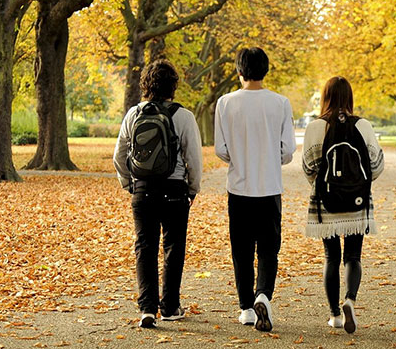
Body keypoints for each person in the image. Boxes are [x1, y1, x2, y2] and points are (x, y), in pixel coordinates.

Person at [113, 59, 203, 328]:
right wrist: (192, 189)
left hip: (143, 190)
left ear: (146, 85)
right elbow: (194, 160)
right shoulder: (184, 116)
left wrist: (129, 184)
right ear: (173, 86)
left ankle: (147, 308)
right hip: (175, 191)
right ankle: (171, 306)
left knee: (145, 247)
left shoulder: (134, 114)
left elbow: (119, 157)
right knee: (173, 248)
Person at [214, 47, 295, 332]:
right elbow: (287, 152)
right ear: (266, 69)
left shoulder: (225, 103)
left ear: (239, 70)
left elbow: (221, 149)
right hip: (270, 187)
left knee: (242, 250)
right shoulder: (280, 103)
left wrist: (239, 157)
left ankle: (247, 307)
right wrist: (270, 157)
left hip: (239, 188)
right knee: (269, 250)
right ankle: (264, 294)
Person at [301, 76, 385, 334]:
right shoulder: (363, 125)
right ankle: (350, 298)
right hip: (357, 201)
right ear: (349, 97)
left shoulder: (315, 127)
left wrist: (321, 184)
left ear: (326, 96)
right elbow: (377, 165)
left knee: (331, 256)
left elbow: (308, 167)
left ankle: (335, 315)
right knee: (353, 255)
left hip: (325, 200)